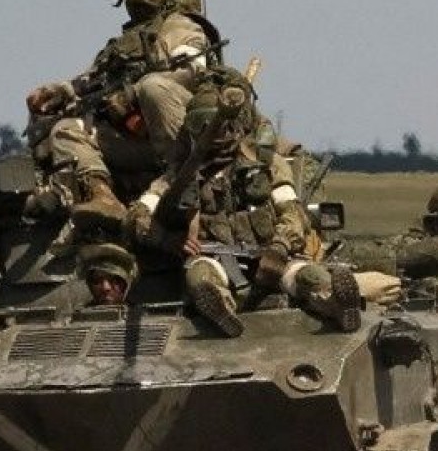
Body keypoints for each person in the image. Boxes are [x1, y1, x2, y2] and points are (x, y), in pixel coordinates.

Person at [125, 70, 361, 336]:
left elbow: (293, 212)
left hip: (270, 255)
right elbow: (137, 217)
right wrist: (166, 239)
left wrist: (280, 246)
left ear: (235, 128)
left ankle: (336, 302)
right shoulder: (176, 178)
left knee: (307, 276)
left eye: (222, 127)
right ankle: (221, 310)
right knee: (201, 278)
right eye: (202, 126)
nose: (216, 135)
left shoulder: (267, 166)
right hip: (213, 257)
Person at [25, 0, 215, 235]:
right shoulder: (121, 46)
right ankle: (102, 196)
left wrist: (132, 93)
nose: (141, 2)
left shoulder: (181, 28)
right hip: (135, 143)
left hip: (182, 139)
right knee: (65, 129)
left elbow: (191, 69)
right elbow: (90, 82)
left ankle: (177, 174)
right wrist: (62, 91)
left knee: (154, 87)